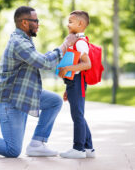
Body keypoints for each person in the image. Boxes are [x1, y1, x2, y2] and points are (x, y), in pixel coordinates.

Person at [0, 6, 78, 158]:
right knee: (12, 150)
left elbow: (42, 60)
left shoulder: (25, 40)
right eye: (35, 20)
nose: (38, 24)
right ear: (24, 23)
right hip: (8, 101)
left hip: (22, 96)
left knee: (54, 101)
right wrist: (65, 45)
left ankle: (37, 144)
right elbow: (44, 62)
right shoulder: (18, 42)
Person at [58, 10, 95, 159]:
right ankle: (89, 148)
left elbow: (87, 64)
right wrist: (68, 87)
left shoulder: (80, 43)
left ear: (80, 23)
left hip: (78, 82)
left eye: (71, 21)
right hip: (73, 83)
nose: (68, 25)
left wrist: (67, 69)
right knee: (79, 114)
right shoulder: (76, 41)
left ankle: (78, 148)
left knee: (77, 115)